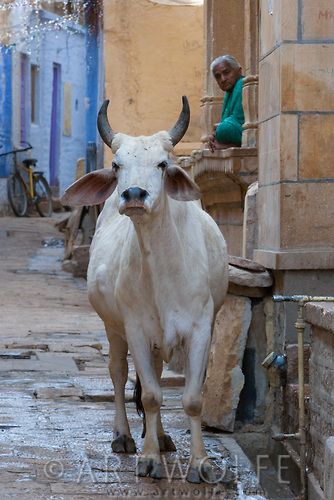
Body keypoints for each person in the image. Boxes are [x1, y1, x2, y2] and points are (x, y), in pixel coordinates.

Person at [208, 55, 244, 152]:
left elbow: (240, 121)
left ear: (239, 71)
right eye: (218, 77)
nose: (223, 79)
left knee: (223, 129)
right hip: (236, 131)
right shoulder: (229, 93)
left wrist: (220, 127)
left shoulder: (242, 84)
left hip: (248, 133)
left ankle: (232, 144)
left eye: (226, 73)